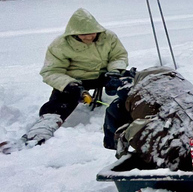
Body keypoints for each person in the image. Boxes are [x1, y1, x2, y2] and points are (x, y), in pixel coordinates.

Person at [21, 8, 129, 147]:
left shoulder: (109, 37)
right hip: (75, 80)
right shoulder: (60, 45)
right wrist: (70, 85)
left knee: (130, 85)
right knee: (61, 102)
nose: (88, 38)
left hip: (105, 75)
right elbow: (51, 71)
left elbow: (118, 56)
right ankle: (41, 130)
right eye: (83, 35)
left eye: (91, 34)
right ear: (74, 33)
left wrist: (115, 72)